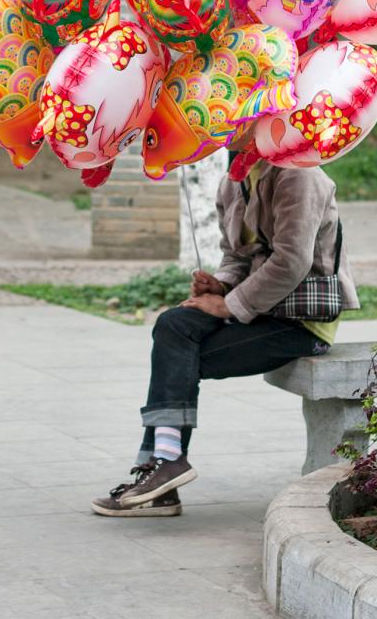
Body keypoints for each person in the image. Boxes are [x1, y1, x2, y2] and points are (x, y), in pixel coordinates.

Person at [92, 161, 358, 517]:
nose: (229, 130)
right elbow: (236, 256)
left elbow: (292, 261)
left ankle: (162, 470)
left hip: (301, 322)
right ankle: (166, 463)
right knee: (174, 324)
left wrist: (228, 304)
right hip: (260, 310)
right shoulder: (234, 180)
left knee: (178, 364)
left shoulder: (299, 174)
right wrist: (219, 284)